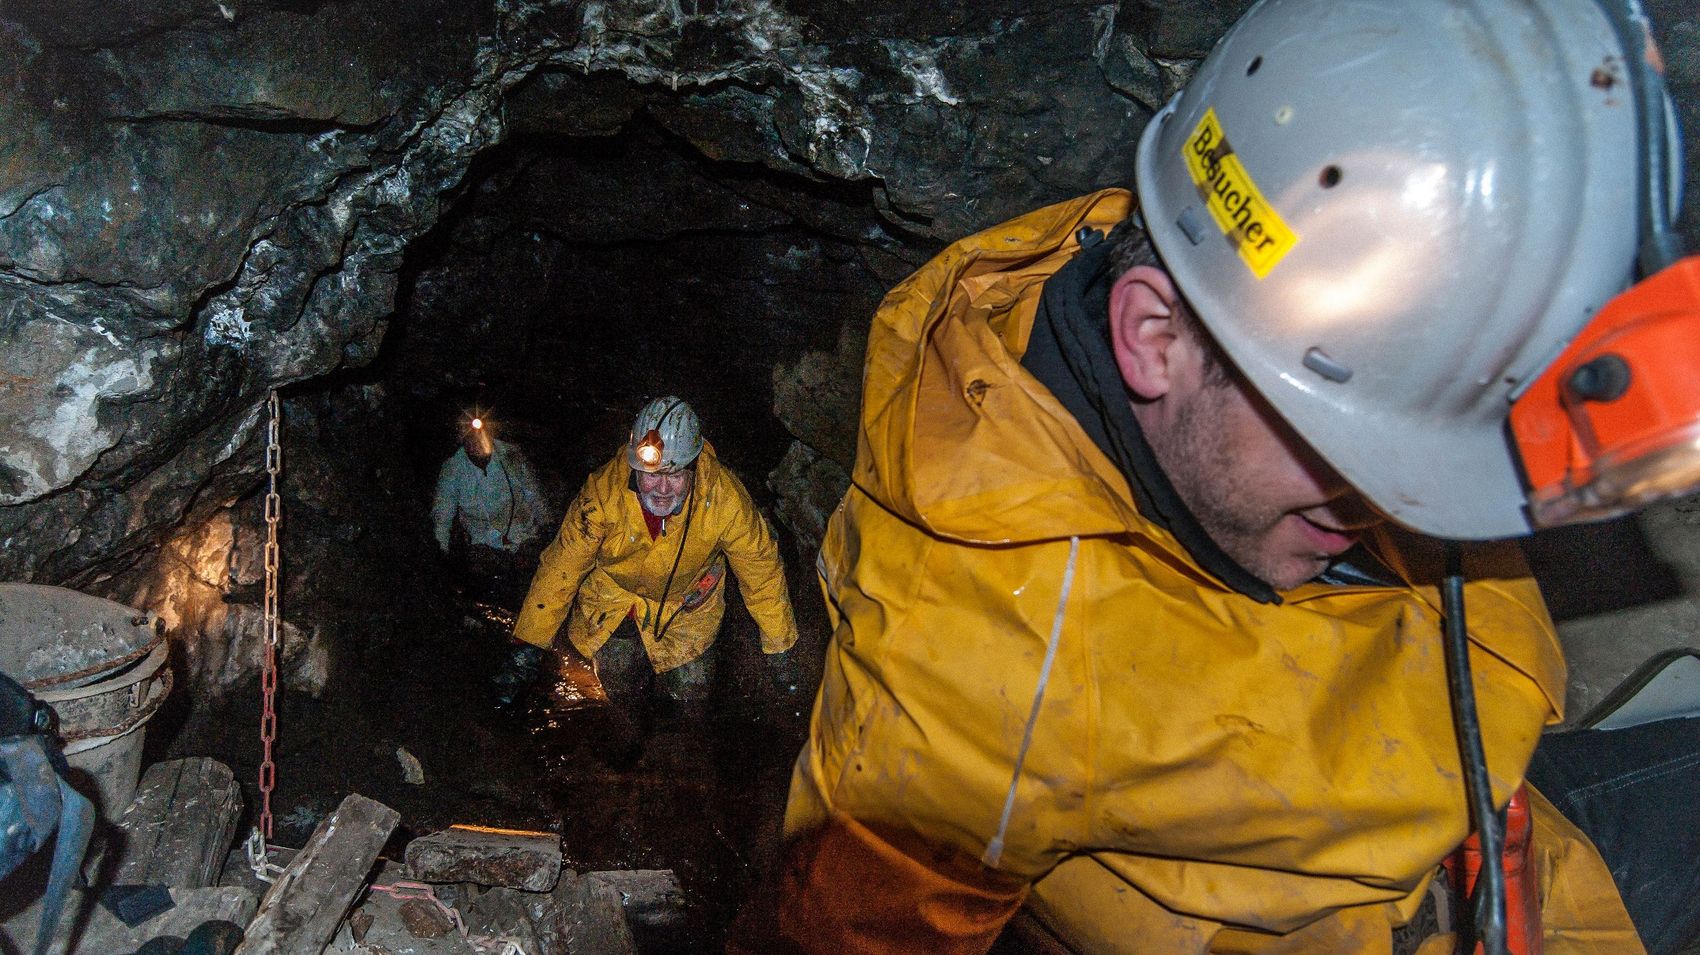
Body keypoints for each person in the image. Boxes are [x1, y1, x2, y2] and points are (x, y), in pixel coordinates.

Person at [741, 0, 1700, 952]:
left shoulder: (1242, 270)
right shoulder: (970, 688)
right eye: (1350, 451)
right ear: (1152, 337)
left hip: (1515, 836)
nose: (1392, 505)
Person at [512, 396, 802, 762]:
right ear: (635, 467)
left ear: (693, 468)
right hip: (615, 600)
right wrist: (528, 643)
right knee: (620, 691)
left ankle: (684, 760)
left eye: (675, 475)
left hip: (687, 607)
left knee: (691, 698)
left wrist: (780, 645)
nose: (662, 489)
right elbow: (562, 566)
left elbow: (761, 569)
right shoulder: (603, 494)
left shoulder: (724, 499)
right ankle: (630, 751)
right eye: (652, 475)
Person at [431, 416, 552, 575]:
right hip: (484, 547)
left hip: (524, 537)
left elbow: (535, 495)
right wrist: (441, 554)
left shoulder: (511, 455)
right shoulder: (452, 470)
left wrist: (548, 529)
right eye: (470, 436)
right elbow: (442, 516)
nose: (476, 441)